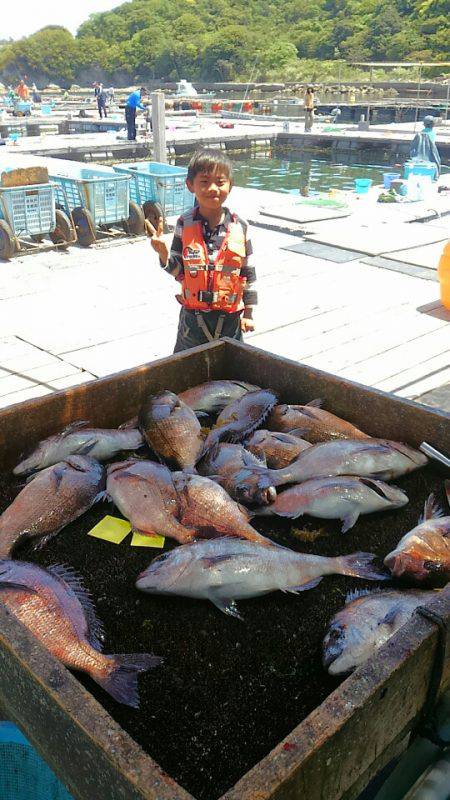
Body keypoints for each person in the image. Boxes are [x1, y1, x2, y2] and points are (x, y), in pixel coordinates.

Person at [146, 149, 257, 352]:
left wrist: (248, 313)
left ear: (230, 185)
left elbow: (248, 273)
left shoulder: (241, 226)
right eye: (204, 182)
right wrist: (162, 254)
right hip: (193, 320)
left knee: (230, 373)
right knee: (185, 368)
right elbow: (179, 272)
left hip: (230, 320)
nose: (212, 188)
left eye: (220, 182)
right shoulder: (184, 223)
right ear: (190, 186)